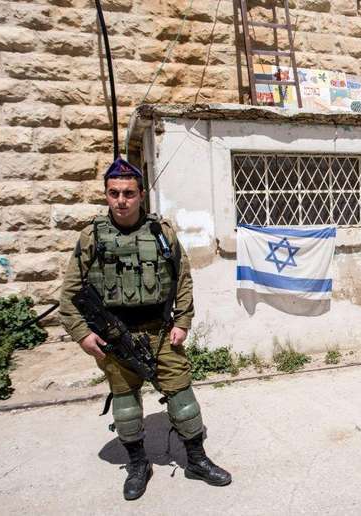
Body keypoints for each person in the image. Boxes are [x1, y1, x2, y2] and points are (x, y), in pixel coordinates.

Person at [58, 158, 231, 500]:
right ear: (106, 195)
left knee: (184, 400)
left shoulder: (161, 232)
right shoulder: (91, 236)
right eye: (113, 193)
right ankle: (138, 464)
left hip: (161, 331)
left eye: (128, 193)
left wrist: (182, 321)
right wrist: (82, 333)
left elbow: (182, 279)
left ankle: (196, 460)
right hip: (114, 337)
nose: (121, 200)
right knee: (125, 409)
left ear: (141, 195)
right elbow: (69, 292)